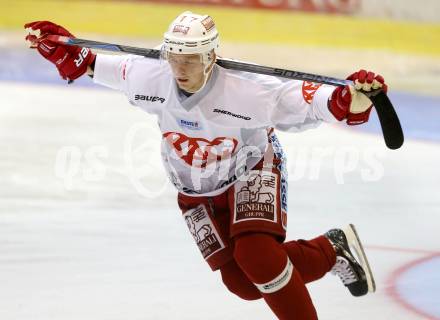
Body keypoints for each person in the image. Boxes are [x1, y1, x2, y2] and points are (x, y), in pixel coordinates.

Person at [24, 12, 385, 320]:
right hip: (193, 187)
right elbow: (95, 65)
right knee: (241, 283)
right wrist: (66, 52)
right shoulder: (152, 76)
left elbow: (305, 101)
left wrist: (345, 100)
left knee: (256, 256)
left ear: (211, 56)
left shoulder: (246, 90)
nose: (180, 67)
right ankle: (331, 249)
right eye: (174, 57)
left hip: (251, 168)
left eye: (191, 58)